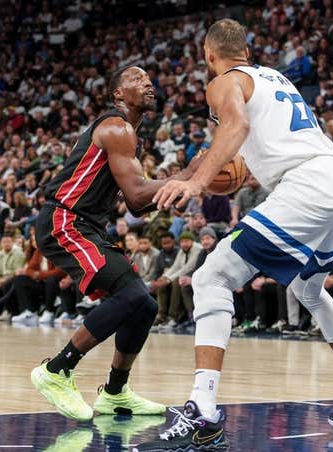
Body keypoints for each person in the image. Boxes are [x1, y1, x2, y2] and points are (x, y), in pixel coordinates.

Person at [136, 19, 333, 451]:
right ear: (247, 51)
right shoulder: (273, 79)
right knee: (310, 291)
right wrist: (183, 176)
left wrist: (196, 185)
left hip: (309, 185)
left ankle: (203, 412)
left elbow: (233, 129)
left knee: (210, 277)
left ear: (208, 53)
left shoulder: (222, 83)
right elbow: (236, 153)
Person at [31, 66, 200, 422]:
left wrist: (185, 182)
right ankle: (56, 370)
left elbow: (138, 202)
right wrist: (187, 176)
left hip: (86, 225)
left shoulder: (128, 133)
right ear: (118, 95)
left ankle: (115, 392)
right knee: (132, 296)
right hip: (66, 220)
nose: (149, 83)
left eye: (150, 79)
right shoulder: (117, 128)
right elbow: (138, 195)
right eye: (137, 79)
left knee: (145, 307)